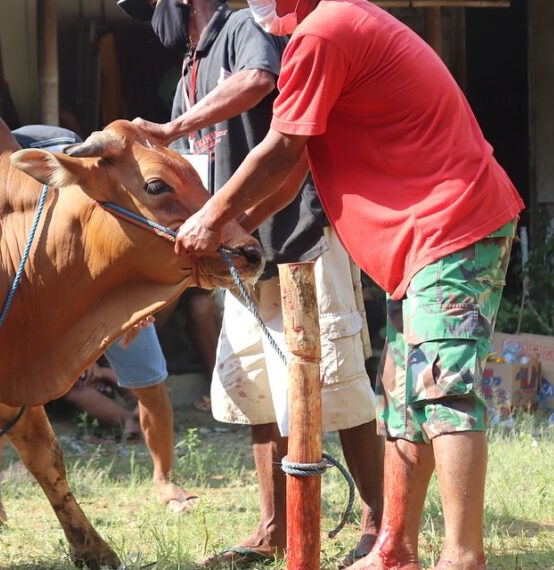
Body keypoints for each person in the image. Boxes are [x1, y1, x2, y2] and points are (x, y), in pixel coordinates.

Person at [172, 1, 524, 568]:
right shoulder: (323, 33)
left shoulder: (324, 33)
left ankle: (463, 558)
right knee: (403, 398)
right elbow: (295, 171)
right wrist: (238, 231)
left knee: (444, 391)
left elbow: (280, 150)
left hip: (451, 224)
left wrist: (211, 217)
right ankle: (395, 550)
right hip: (419, 241)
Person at [124, 0, 385, 566]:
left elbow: (260, 78)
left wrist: (171, 127)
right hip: (240, 258)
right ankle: (274, 529)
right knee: (258, 392)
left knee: (337, 383)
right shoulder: (189, 72)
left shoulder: (243, 26)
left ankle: (377, 526)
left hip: (300, 234)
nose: (150, 16)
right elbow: (186, 181)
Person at [0, 73, 199, 540]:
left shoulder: (52, 149)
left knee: (148, 382)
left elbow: (131, 224)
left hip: (106, 287)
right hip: (28, 294)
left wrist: (142, 296)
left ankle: (165, 480)